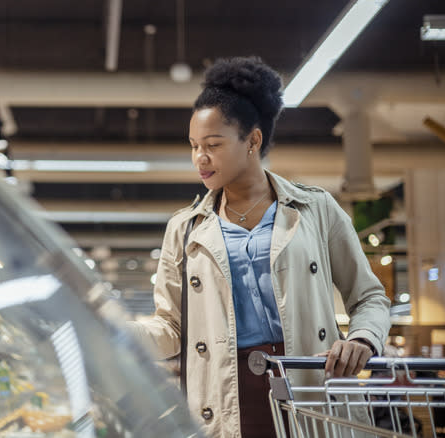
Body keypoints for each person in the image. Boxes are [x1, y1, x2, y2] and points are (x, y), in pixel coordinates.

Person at [127, 57, 391, 438]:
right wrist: (115, 331)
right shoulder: (185, 228)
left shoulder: (314, 209)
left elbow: (369, 297)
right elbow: (171, 326)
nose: (200, 158)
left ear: (252, 140)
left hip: (308, 384)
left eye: (213, 145)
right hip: (224, 396)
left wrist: (363, 339)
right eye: (194, 146)